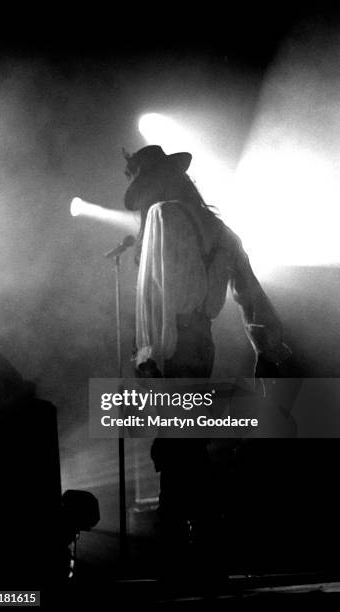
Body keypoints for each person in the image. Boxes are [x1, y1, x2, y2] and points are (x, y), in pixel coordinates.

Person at [123, 144, 292, 581]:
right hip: (202, 342)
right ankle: (204, 541)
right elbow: (249, 292)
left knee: (178, 447)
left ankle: (187, 546)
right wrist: (267, 346)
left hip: (173, 344)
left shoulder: (161, 216)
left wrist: (149, 357)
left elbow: (157, 297)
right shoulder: (218, 227)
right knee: (187, 443)